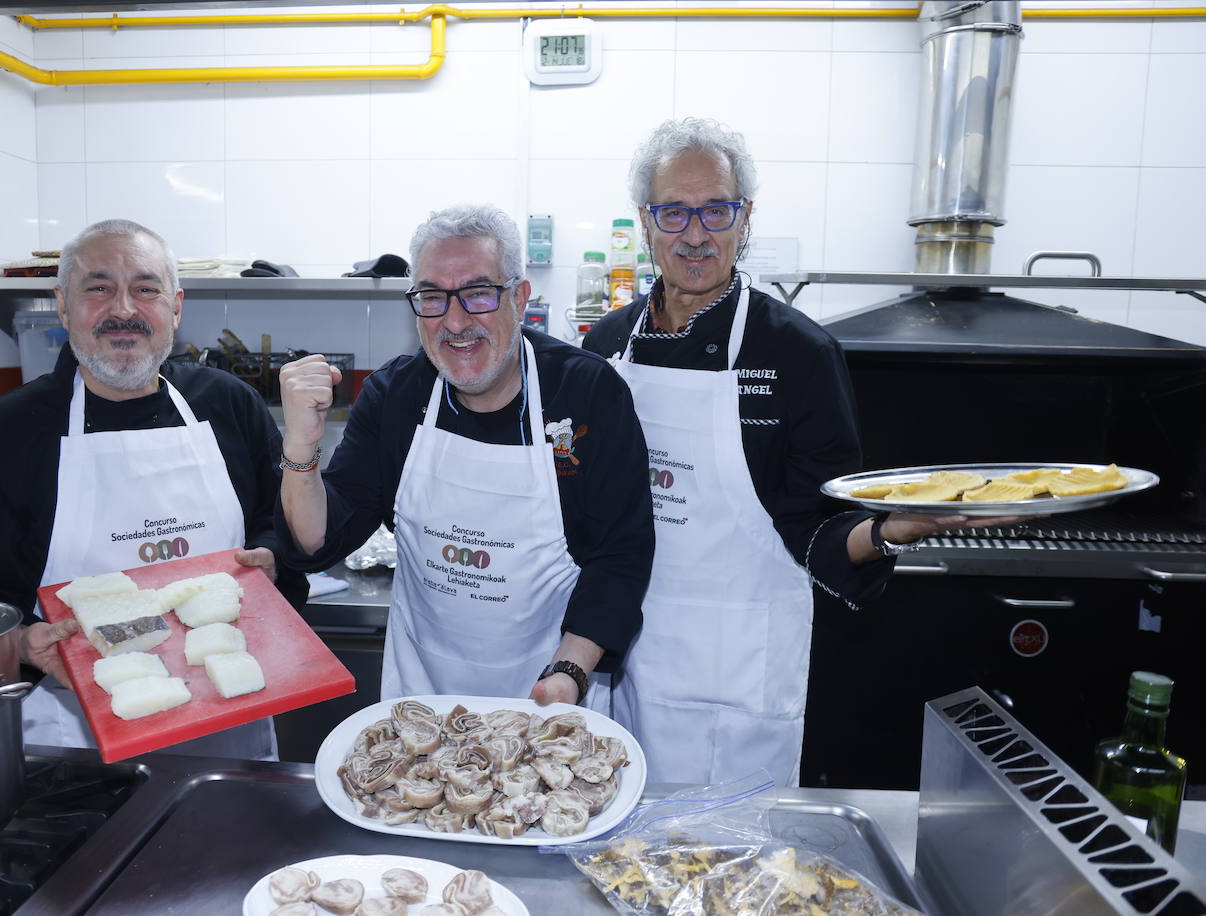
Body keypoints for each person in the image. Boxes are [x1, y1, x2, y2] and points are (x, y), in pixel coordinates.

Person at [582, 118, 1025, 786]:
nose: (695, 234)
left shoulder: (796, 354)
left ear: (745, 219)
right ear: (645, 222)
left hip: (735, 681)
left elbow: (819, 524)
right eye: (674, 212)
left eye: (716, 210)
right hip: (620, 662)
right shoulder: (605, 350)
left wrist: (889, 531)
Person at [0, 218, 306, 760]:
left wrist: (273, 558)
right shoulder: (6, 432)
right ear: (62, 305)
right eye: (98, 288)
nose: (123, 309)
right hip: (75, 742)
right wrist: (19, 644)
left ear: (176, 306)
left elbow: (280, 522)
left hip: (229, 721)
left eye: (145, 289)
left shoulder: (228, 404)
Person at [277, 203, 653, 711]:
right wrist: (300, 447)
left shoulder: (586, 392)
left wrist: (566, 674)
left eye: (478, 293)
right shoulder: (397, 396)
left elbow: (621, 555)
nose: (454, 322)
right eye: (432, 297)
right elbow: (320, 540)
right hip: (421, 705)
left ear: (519, 297)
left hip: (552, 701)